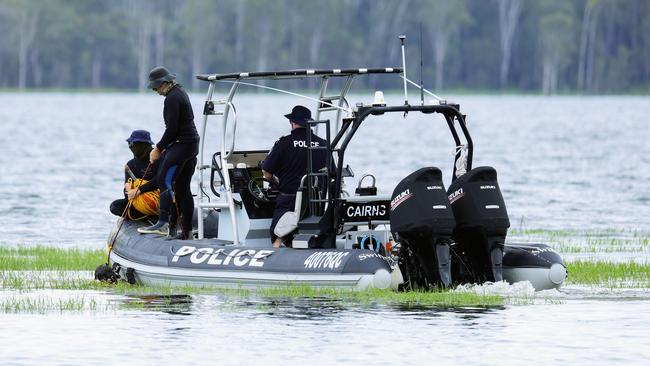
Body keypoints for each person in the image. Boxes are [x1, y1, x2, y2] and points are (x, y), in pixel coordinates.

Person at [134, 66, 199, 240]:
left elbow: (172, 130)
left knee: (164, 180)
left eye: (156, 87)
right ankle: (187, 231)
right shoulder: (180, 92)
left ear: (164, 83)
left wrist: (158, 149)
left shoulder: (172, 98)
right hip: (192, 145)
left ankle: (162, 224)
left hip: (182, 145)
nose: (156, 91)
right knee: (182, 188)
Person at [262, 105, 328, 248]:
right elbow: (331, 172)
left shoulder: (284, 143)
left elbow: (267, 173)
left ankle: (275, 257)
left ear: (292, 123)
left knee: (278, 235)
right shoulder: (323, 143)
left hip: (289, 202)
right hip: (317, 202)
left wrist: (274, 181)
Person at [109, 130, 160, 220]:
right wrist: (128, 190)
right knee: (114, 206)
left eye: (132, 144)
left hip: (161, 200)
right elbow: (127, 189)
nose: (130, 146)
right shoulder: (131, 165)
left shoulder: (159, 158)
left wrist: (139, 190)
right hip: (139, 204)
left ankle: (160, 215)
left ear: (143, 145)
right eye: (129, 143)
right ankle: (147, 216)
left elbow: (161, 180)